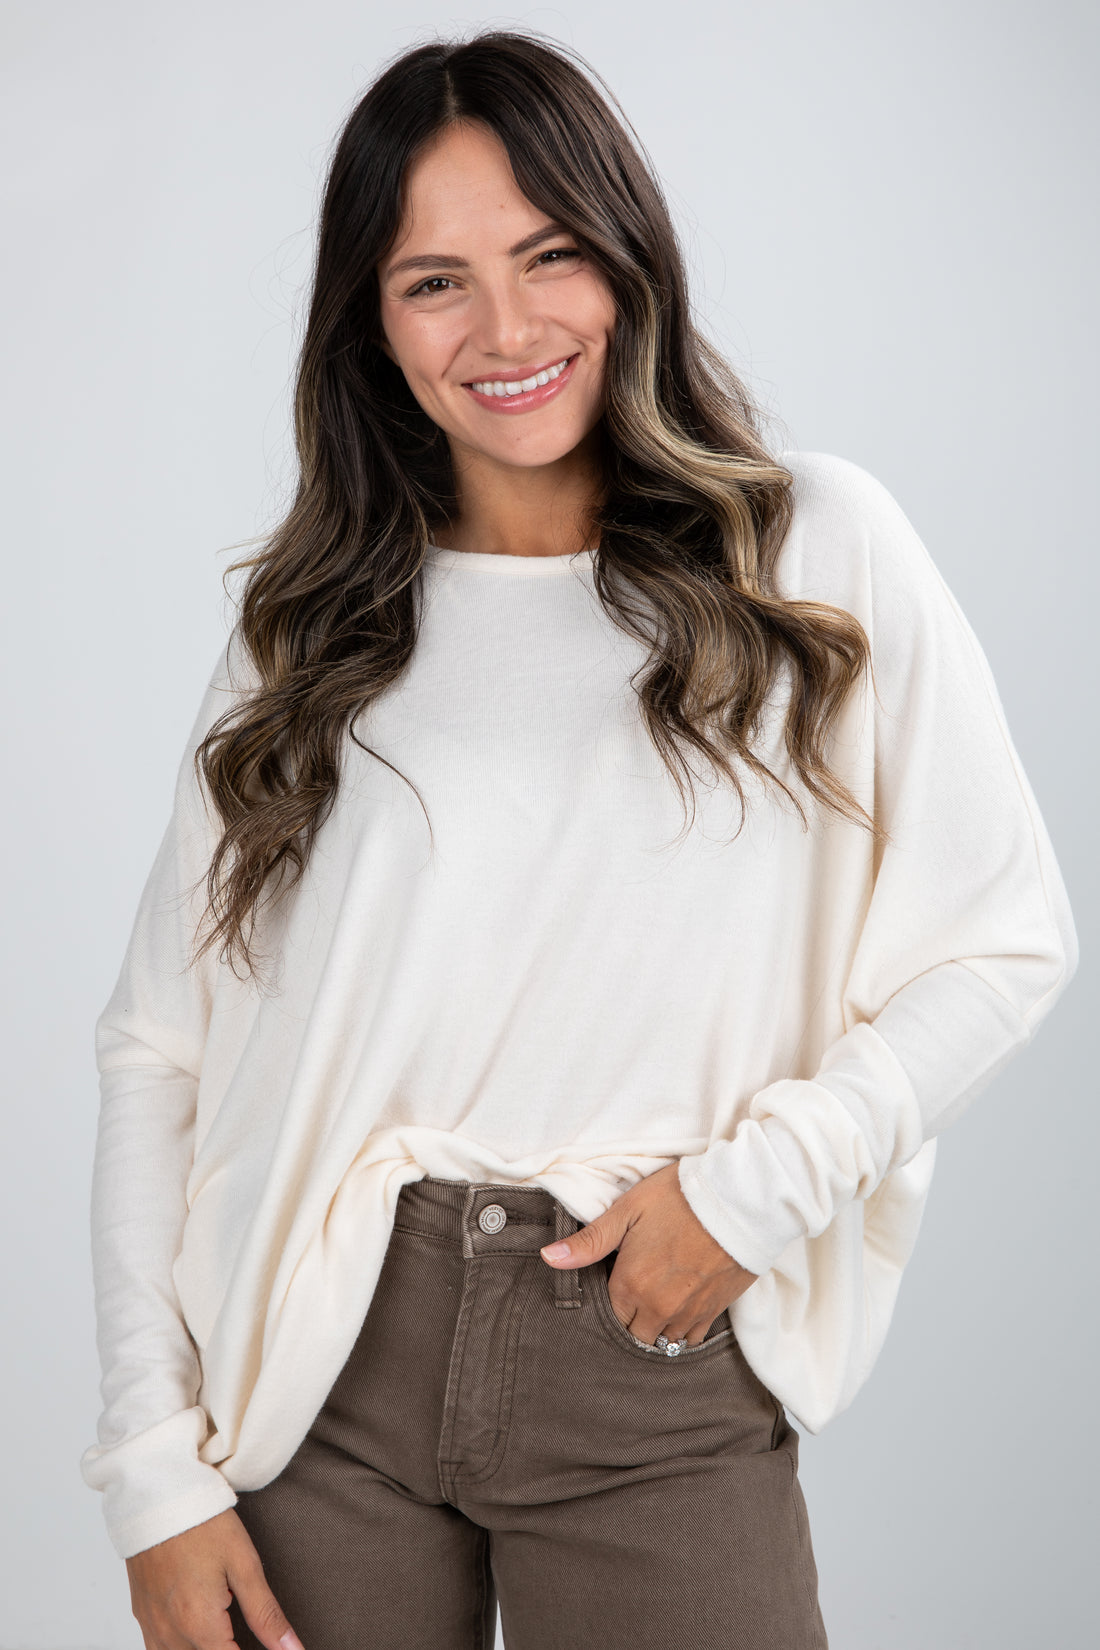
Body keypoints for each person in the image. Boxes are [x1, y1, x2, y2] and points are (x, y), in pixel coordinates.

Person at [80, 27, 1077, 1650]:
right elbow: (158, 1048)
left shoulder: (809, 553)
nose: (507, 328)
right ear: (370, 321)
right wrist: (151, 1470)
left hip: (649, 1354)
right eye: (435, 282)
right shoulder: (311, 629)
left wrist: (756, 1196)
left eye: (550, 255)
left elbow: (1006, 939)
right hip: (316, 1378)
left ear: (627, 257)